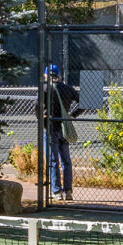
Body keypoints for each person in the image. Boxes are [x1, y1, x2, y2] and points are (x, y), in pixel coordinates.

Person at [36, 61, 77, 204]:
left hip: (51, 128)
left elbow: (37, 107)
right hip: (64, 129)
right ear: (59, 75)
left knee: (53, 161)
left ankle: (56, 191)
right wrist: (73, 114)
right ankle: (68, 191)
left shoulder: (45, 89)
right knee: (66, 161)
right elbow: (84, 101)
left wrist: (42, 118)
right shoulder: (68, 89)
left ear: (46, 75)